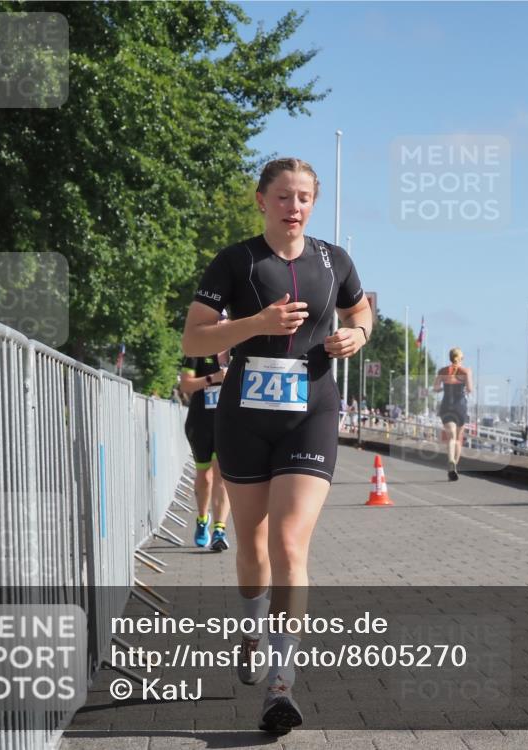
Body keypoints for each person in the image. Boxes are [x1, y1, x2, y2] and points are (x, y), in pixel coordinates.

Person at [181, 157, 371, 734]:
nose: (295, 207)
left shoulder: (332, 260)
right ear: (261, 200)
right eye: (284, 197)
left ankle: (280, 685)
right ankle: (251, 624)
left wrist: (356, 334)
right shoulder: (236, 261)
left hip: (309, 413)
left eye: (305, 197)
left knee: (291, 543)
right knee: (253, 546)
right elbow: (193, 335)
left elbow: (361, 308)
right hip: (244, 417)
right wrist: (256, 321)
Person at [178, 330, 232, 552]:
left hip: (228, 423)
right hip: (201, 421)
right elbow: (186, 385)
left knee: (221, 475)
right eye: (216, 320)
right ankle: (202, 520)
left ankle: (220, 530)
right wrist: (214, 379)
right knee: (205, 476)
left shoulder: (238, 349)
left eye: (223, 321)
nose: (220, 324)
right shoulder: (197, 350)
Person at [433, 347, 473, 481]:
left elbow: (436, 388)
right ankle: (454, 464)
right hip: (460, 406)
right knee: (458, 439)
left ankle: (450, 460)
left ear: (450, 357)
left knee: (450, 437)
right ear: (461, 358)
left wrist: (441, 389)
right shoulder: (466, 371)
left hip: (446, 405)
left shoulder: (442, 371)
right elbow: (470, 389)